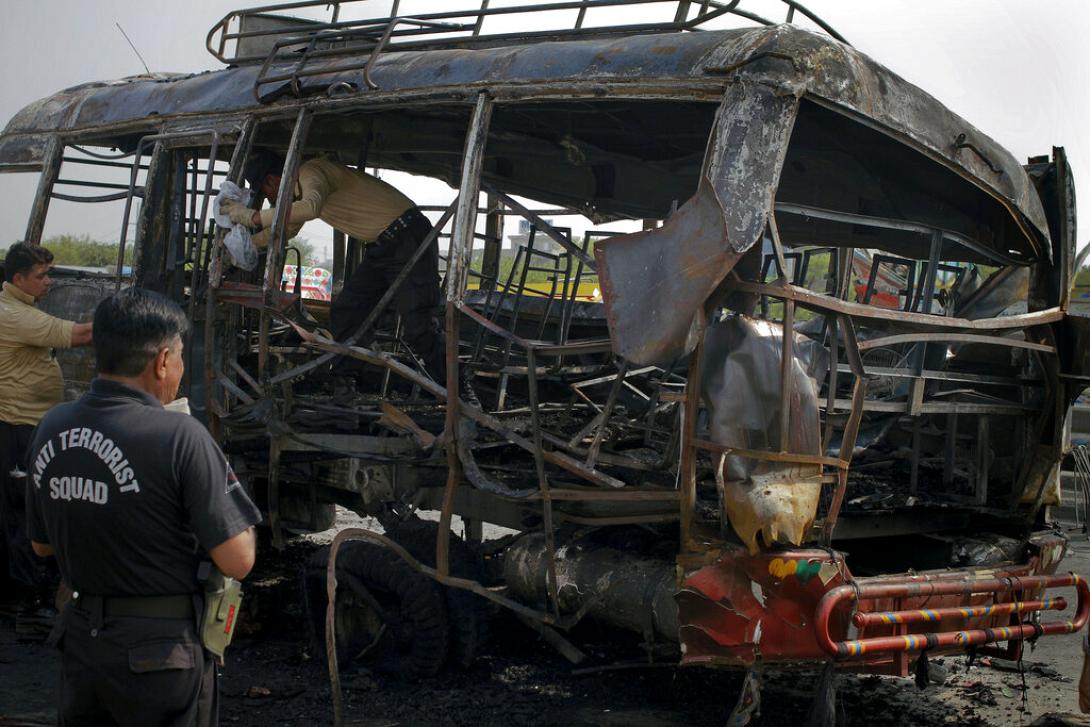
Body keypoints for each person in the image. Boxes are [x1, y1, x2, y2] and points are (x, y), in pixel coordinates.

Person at [25, 288, 262, 726]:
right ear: (162, 361)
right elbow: (239, 559)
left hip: (81, 642)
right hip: (159, 655)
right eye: (180, 356)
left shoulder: (51, 426)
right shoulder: (180, 436)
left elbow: (41, 546)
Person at [220, 150, 446, 385]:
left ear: (271, 180)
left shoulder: (311, 171)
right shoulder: (296, 196)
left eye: (265, 191)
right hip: (384, 245)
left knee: (419, 327)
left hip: (409, 235)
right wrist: (245, 247)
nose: (269, 197)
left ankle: (457, 388)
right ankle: (345, 382)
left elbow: (311, 208)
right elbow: (286, 230)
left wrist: (253, 217)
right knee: (347, 311)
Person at [0, 241, 93, 615]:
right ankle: (29, 601)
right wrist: (130, 319)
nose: (49, 282)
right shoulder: (13, 314)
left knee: (21, 510)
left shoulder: (20, 307)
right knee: (24, 514)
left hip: (27, 423)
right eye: (42, 276)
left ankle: (21, 592)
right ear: (18, 279)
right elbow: (80, 336)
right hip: (17, 425)